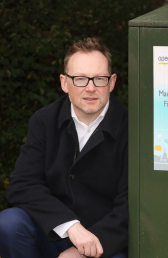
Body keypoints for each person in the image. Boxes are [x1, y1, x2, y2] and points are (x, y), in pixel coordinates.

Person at [0, 37, 128, 258]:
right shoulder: (44, 120)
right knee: (9, 223)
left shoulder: (132, 128)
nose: (90, 88)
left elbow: (131, 204)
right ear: (64, 82)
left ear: (112, 82)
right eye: (79, 79)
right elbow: (23, 184)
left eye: (99, 79)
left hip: (103, 243)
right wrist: (70, 226)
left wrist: (84, 249)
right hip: (53, 233)